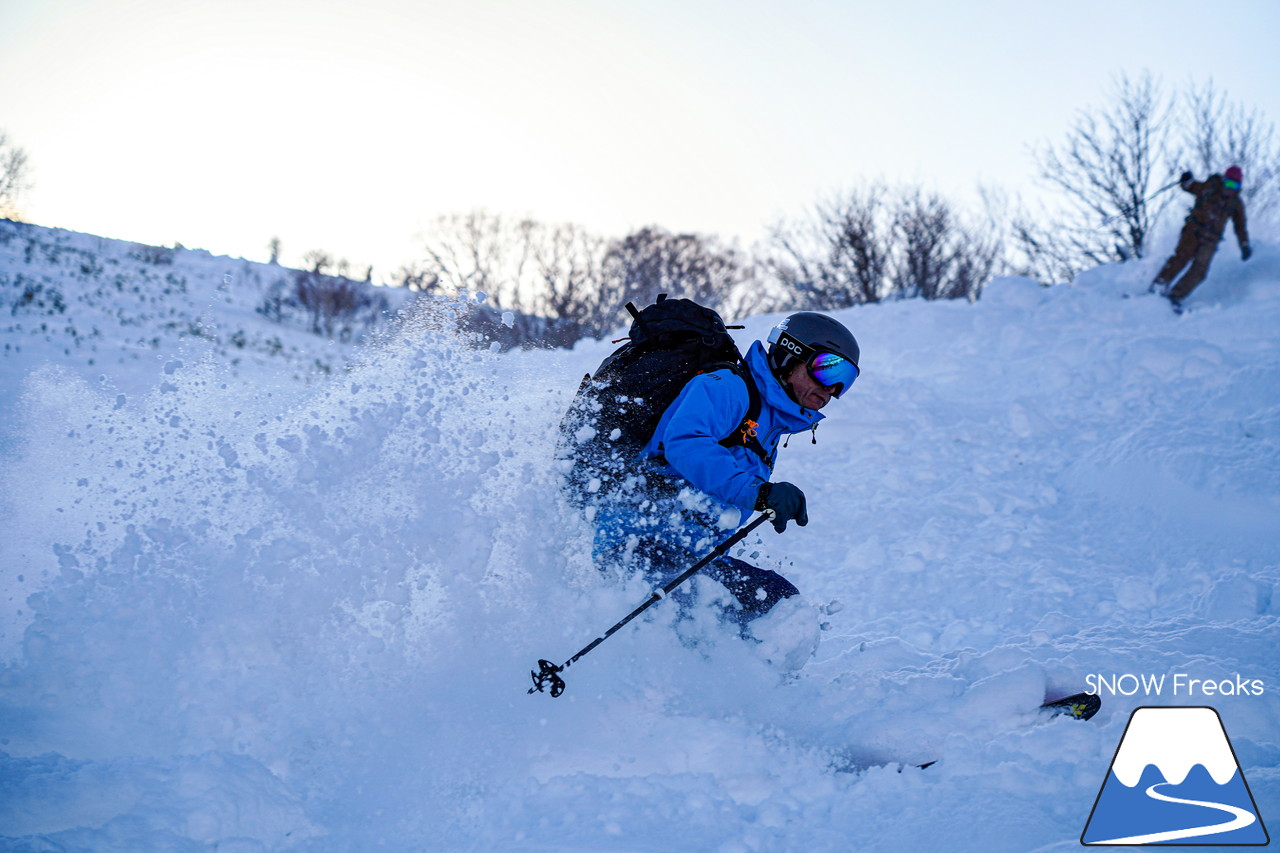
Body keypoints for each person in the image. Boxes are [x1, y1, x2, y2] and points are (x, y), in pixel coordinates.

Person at [589, 311, 860, 628]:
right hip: (636, 544)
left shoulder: (769, 426)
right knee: (779, 614)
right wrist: (759, 493)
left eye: (846, 380)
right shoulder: (727, 387)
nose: (833, 388)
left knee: (780, 610)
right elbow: (686, 442)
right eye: (828, 370)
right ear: (790, 353)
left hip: (686, 557)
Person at [1152, 165, 1252, 313]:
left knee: (1200, 270)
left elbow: (1240, 226)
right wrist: (1186, 180)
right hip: (1193, 230)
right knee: (1181, 257)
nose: (1229, 189)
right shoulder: (1210, 187)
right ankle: (1158, 287)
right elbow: (1190, 186)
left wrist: (1244, 245)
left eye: (1234, 186)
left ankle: (1175, 296)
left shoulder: (1236, 204)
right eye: (1228, 183)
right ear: (1223, 180)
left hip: (1211, 239)